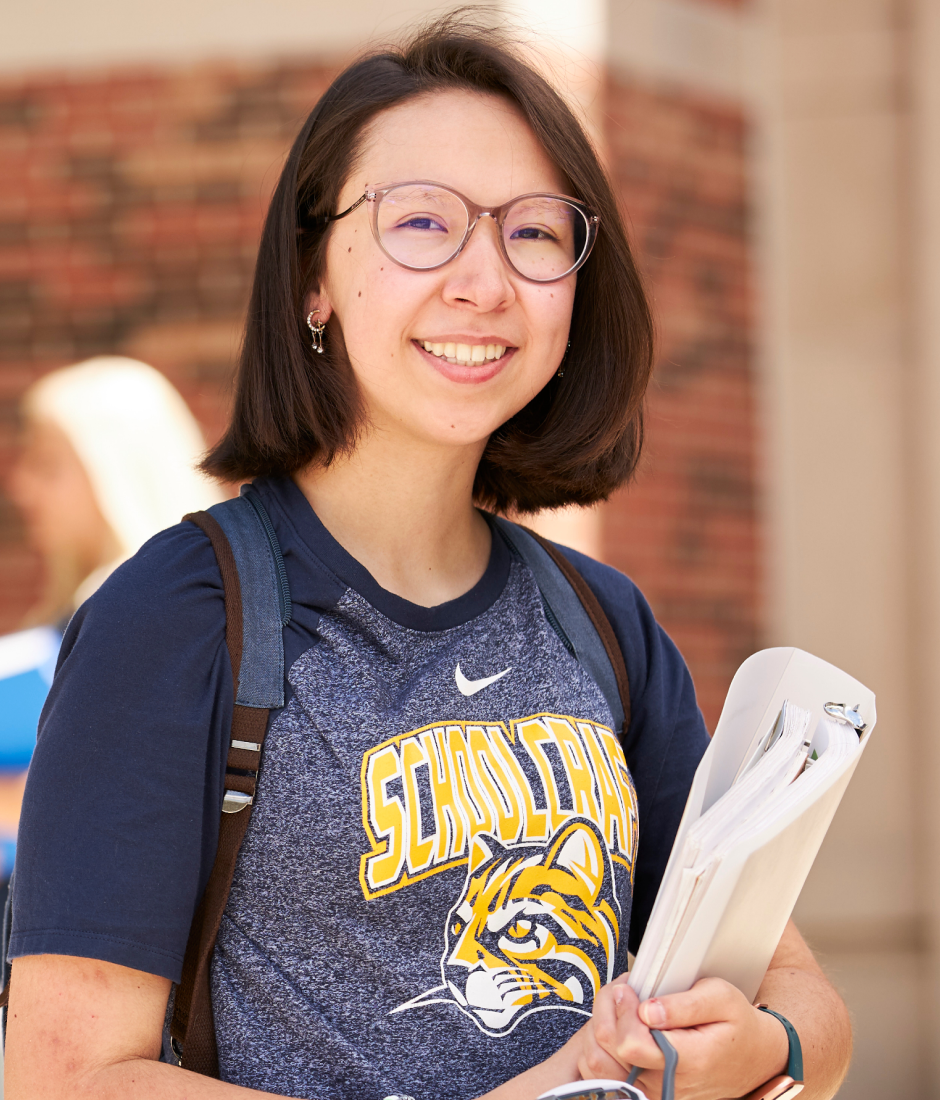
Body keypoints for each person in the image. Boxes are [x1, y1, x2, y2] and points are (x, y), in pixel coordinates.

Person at [3, 16, 851, 1100]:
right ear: (314, 277)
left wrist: (763, 1045)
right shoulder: (173, 615)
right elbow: (65, 1077)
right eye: (421, 223)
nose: (484, 281)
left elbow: (807, 1000)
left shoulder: (601, 619)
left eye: (535, 233)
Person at [0, 357, 223, 903]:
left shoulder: (168, 626)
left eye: (48, 465)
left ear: (116, 467)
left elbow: (141, 804)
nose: (20, 488)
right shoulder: (42, 641)